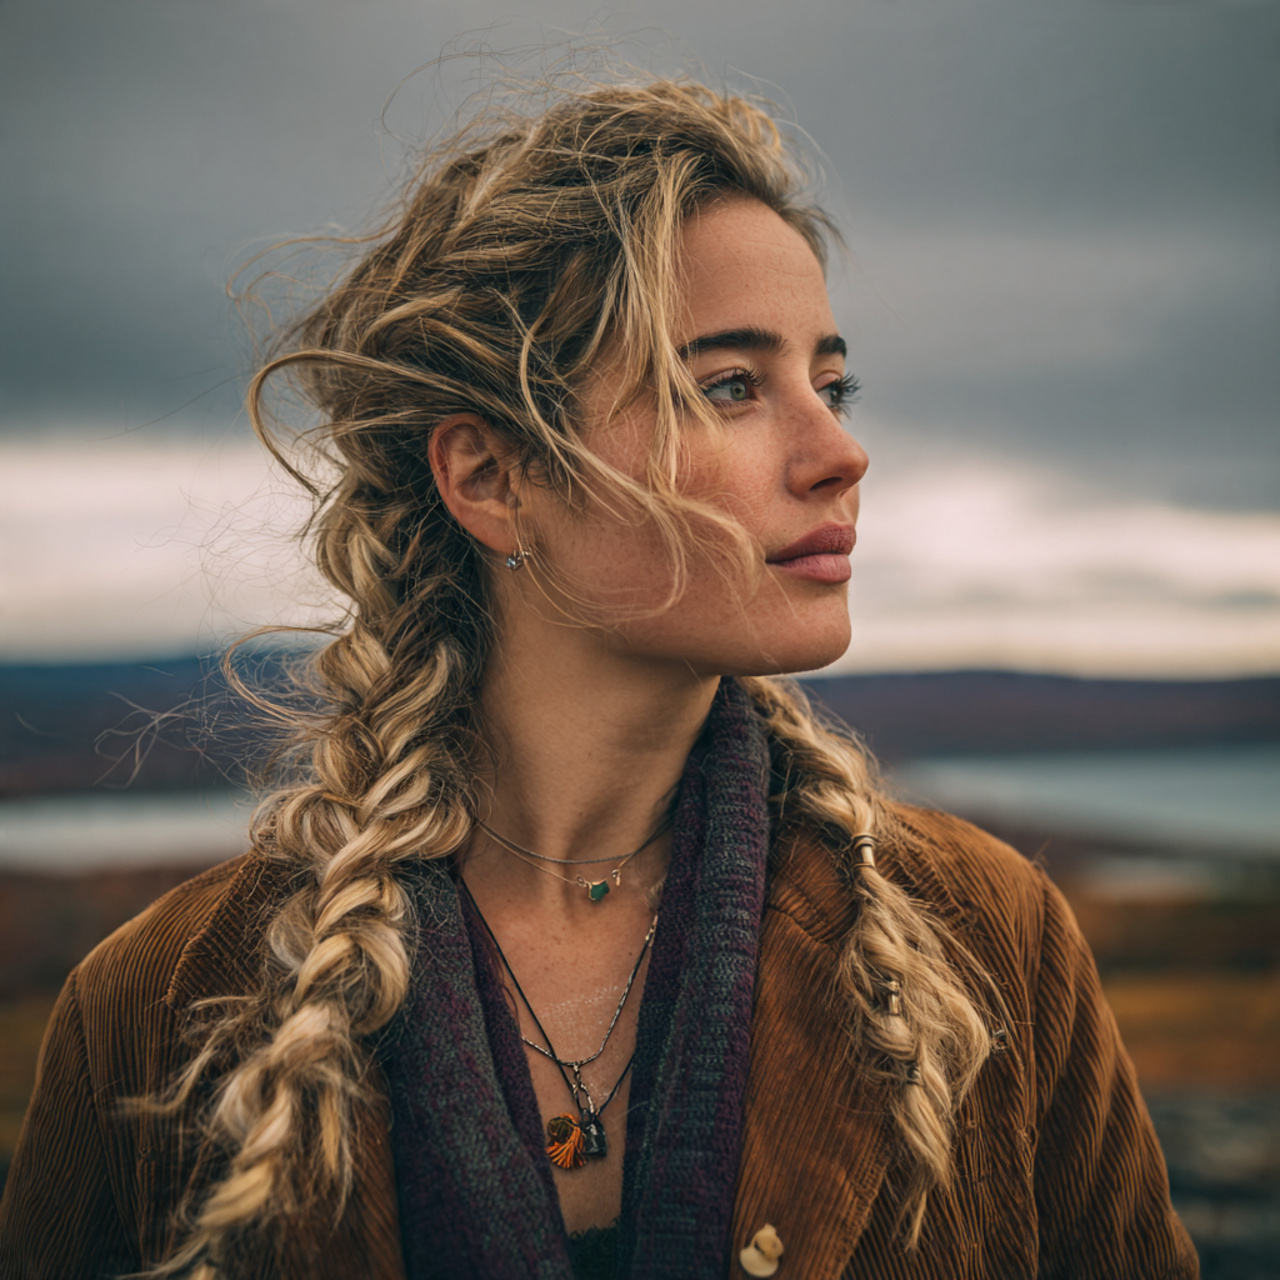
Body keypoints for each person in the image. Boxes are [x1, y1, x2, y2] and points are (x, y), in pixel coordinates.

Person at [0, 79, 1198, 1280]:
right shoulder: (161, 1007)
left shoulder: (985, 942)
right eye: (728, 384)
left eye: (827, 384)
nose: (839, 451)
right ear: (491, 477)